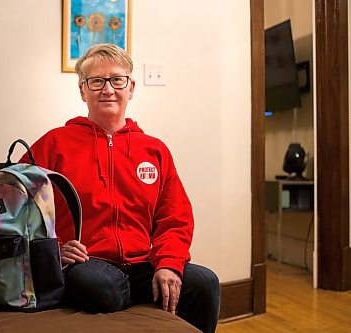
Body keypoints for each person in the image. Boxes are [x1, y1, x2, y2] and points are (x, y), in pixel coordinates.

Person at [19, 43, 220, 333]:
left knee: (205, 283)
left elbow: (175, 218)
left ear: (131, 86)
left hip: (143, 262)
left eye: (116, 79)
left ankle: (141, 292)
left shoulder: (155, 150)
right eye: (96, 81)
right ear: (82, 91)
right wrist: (53, 250)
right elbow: (13, 206)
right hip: (89, 263)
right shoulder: (54, 144)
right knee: (97, 286)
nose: (107, 89)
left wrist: (169, 264)